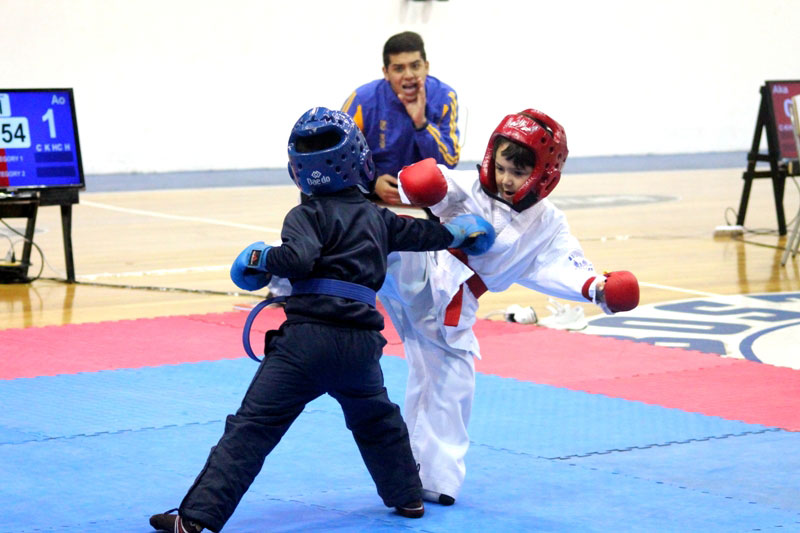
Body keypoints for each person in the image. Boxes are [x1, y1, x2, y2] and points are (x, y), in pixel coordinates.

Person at [148, 107, 495, 533]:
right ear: (358, 160)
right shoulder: (378, 217)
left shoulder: (304, 215)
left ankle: (194, 519)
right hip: (360, 348)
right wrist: (460, 233)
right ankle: (407, 500)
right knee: (377, 422)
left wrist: (260, 258)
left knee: (253, 428)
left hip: (305, 345)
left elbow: (298, 257)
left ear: (297, 170)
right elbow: (423, 235)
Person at [378, 108, 641, 506]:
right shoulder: (469, 186)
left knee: (445, 382)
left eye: (517, 173)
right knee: (378, 243)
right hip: (420, 270)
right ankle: (298, 276)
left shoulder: (547, 225)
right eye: (501, 167)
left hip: (454, 305)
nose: (505, 179)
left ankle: (430, 476)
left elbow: (566, 265)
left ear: (544, 175)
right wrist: (420, 186)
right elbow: (423, 182)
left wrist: (599, 288)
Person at [341, 31, 460, 206]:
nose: (409, 75)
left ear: (426, 67)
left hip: (425, 194)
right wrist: (372, 181)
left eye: (415, 66)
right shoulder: (361, 100)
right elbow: (340, 154)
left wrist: (422, 124)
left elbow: (449, 162)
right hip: (371, 189)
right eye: (399, 68)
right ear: (386, 72)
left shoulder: (444, 97)